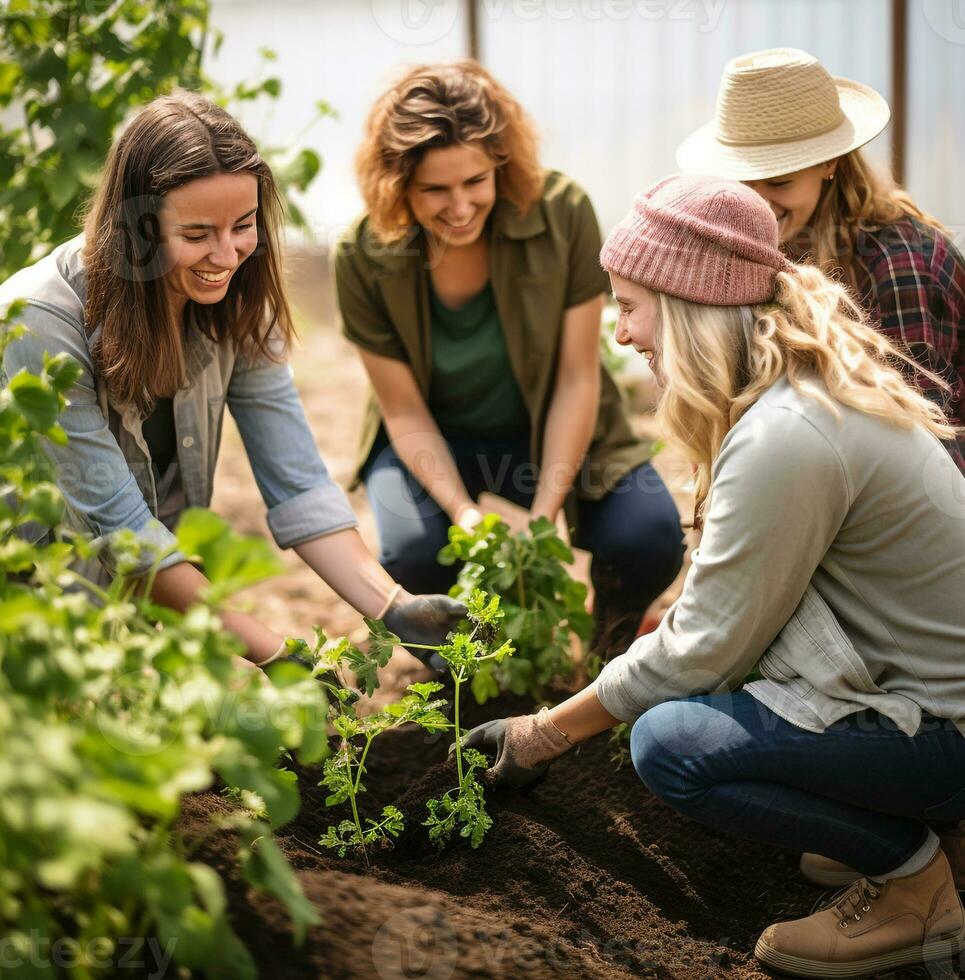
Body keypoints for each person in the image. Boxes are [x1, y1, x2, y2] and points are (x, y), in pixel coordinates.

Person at [464, 175, 965, 978]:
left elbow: (703, 653)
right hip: (923, 699)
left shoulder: (786, 436)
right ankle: (900, 825)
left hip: (945, 730)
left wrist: (542, 733)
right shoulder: (798, 398)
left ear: (688, 305)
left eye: (628, 305)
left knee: (672, 743)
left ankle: (912, 882)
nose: (620, 334)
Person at [0, 92, 463, 667]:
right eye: (196, 236)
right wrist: (276, 655)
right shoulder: (38, 320)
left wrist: (393, 605)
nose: (227, 254)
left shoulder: (239, 303)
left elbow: (298, 483)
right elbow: (117, 526)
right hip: (38, 603)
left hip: (156, 594)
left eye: (243, 226)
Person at [334, 61, 685, 659]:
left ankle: (611, 641)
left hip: (555, 427)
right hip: (434, 441)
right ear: (398, 186)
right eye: (433, 191)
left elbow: (577, 377)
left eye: (475, 180)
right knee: (412, 560)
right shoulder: (362, 256)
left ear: (500, 162)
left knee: (650, 538)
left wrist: (546, 513)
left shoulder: (561, 211)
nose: (459, 206)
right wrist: (462, 512)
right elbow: (403, 407)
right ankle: (473, 669)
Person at [676, 47, 965, 472]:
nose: (757, 203)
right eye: (740, 182)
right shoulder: (758, 248)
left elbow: (922, 447)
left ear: (829, 161)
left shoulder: (899, 264)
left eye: (779, 181)